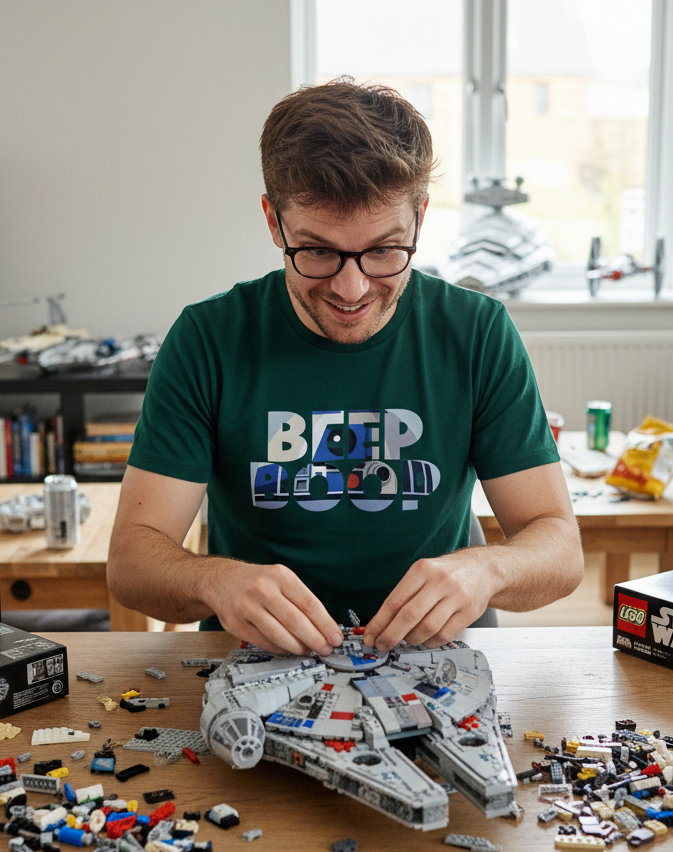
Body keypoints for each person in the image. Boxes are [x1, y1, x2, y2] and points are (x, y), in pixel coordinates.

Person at [107, 78, 584, 658]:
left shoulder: (476, 331)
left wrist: (487, 570)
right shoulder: (208, 338)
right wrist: (216, 581)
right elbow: (132, 561)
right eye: (317, 251)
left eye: (385, 250)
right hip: (257, 659)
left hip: (437, 657)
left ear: (421, 217)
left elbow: (559, 548)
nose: (352, 288)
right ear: (272, 221)